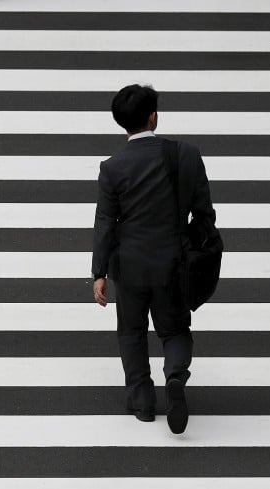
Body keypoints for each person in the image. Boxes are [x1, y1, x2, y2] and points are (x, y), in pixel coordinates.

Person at [91, 84, 217, 434]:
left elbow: (105, 221)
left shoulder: (113, 168)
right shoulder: (186, 156)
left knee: (131, 332)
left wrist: (99, 272)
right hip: (173, 264)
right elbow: (204, 214)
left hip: (128, 266)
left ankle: (143, 403)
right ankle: (174, 376)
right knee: (175, 329)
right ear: (153, 116)